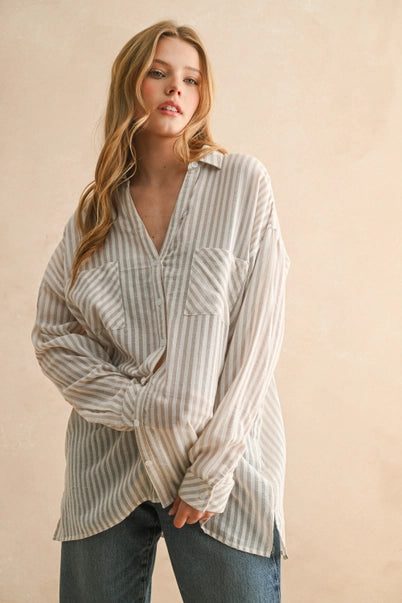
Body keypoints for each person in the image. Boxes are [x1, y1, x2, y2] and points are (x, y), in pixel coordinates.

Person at [32, 20, 290, 603]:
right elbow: (53, 334)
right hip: (108, 467)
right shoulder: (93, 217)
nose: (176, 88)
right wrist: (140, 404)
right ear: (130, 85)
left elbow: (257, 340)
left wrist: (213, 467)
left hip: (217, 466)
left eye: (191, 79)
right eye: (158, 73)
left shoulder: (240, 185)